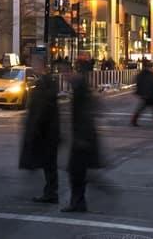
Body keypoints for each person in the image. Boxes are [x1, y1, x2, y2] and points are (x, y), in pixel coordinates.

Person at [19, 54, 61, 204]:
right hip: (47, 131)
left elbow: (43, 108)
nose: (33, 67)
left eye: (35, 64)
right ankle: (50, 191)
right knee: (48, 163)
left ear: (41, 65)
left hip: (46, 132)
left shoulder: (46, 82)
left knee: (49, 163)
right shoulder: (43, 82)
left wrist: (35, 127)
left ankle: (51, 193)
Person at [63, 60, 101, 214]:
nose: (64, 76)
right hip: (82, 137)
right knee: (78, 172)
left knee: (76, 172)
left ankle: (77, 203)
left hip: (82, 139)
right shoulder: (81, 87)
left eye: (67, 72)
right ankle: (79, 202)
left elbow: (84, 114)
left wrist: (81, 138)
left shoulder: (80, 89)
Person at [131, 59, 153, 127]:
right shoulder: (151, 74)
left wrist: (139, 92)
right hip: (151, 95)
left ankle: (134, 120)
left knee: (143, 108)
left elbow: (138, 84)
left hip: (146, 94)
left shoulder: (141, 74)